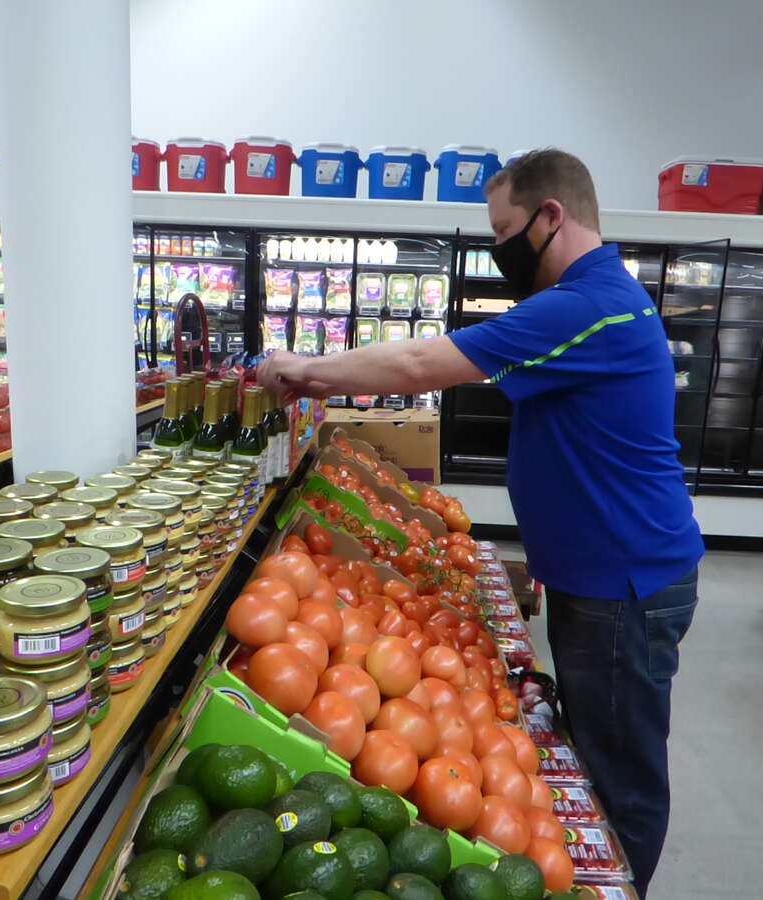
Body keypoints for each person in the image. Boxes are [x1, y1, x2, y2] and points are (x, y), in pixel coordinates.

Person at [258, 148, 703, 897]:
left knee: (619, 777)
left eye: (503, 231)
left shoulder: (586, 305)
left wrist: (306, 369)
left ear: (550, 217)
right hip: (606, 572)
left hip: (625, 585)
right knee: (601, 752)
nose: (499, 250)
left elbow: (417, 366)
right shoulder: (593, 299)